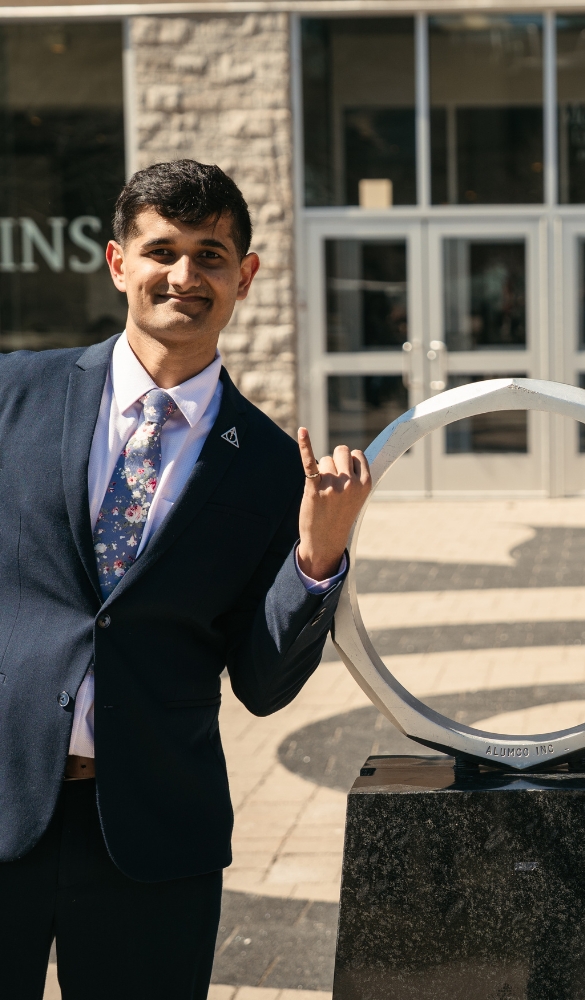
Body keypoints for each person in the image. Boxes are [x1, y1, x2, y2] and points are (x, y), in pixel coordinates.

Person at [0, 159, 372, 999]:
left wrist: (317, 556)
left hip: (154, 834)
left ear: (245, 276)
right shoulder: (13, 395)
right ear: (117, 262)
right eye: (162, 249)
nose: (184, 275)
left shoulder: (276, 468)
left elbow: (264, 682)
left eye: (211, 254)